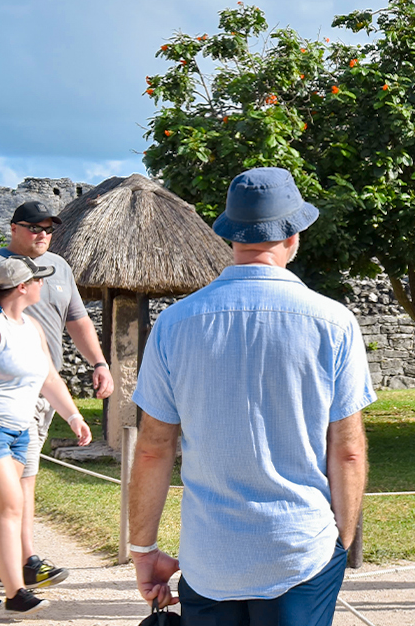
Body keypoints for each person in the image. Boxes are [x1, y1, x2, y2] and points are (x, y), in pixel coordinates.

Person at [128, 167, 375, 624]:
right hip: (300, 548)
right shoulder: (334, 323)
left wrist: (143, 548)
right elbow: (347, 451)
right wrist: (340, 542)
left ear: (231, 235)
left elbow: (152, 449)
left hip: (209, 556)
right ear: (294, 235)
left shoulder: (174, 324)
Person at [0, 200, 112, 591]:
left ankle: (15, 564)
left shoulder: (58, 268)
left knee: (24, 481)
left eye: (48, 228)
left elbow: (77, 321)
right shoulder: (0, 268)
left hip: (45, 387)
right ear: (13, 228)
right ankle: (23, 563)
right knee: (15, 487)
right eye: (34, 227)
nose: (43, 233)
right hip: (6, 393)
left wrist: (99, 364)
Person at [0, 256, 93, 615]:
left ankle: (10, 588)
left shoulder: (32, 327)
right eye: (37, 279)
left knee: (6, 509)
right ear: (22, 287)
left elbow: (50, 378)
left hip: (22, 432)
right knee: (9, 506)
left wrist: (73, 416)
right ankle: (16, 594)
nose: (43, 284)